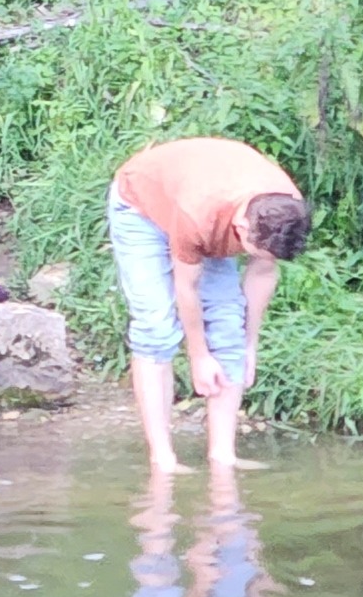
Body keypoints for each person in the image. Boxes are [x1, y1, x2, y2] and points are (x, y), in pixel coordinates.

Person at [106, 135, 310, 473]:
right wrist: (198, 355)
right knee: (155, 326)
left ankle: (222, 457)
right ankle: (163, 460)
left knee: (229, 327)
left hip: (210, 202)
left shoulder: (287, 209)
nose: (252, 257)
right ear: (242, 228)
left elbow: (262, 271)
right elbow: (186, 286)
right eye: (250, 250)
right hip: (141, 205)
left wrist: (250, 345)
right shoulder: (197, 214)